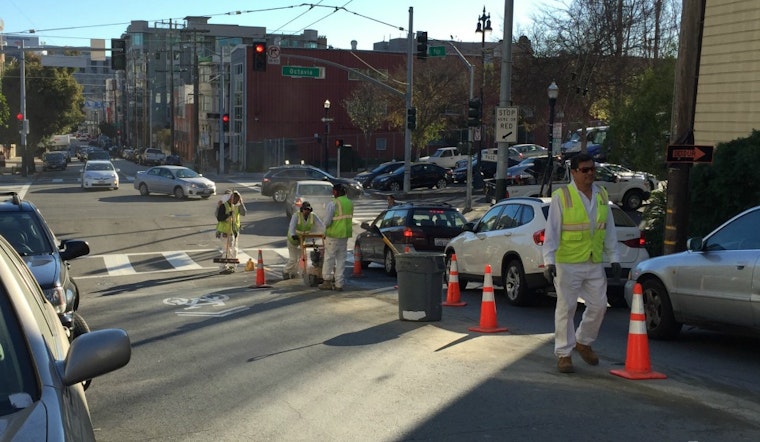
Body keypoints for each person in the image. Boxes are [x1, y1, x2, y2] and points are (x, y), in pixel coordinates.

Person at [542, 153, 621, 373]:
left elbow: (609, 229)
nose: (590, 174)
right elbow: (552, 231)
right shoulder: (562, 196)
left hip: (593, 260)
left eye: (592, 169)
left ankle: (583, 341)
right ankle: (564, 354)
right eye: (585, 170)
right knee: (566, 308)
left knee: (598, 305)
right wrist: (549, 261)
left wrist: (614, 258)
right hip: (568, 262)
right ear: (574, 172)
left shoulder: (601, 195)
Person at [318, 183, 354, 291]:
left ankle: (327, 281)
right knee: (341, 260)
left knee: (329, 258)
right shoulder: (349, 203)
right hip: (344, 236)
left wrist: (323, 230)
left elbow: (327, 221)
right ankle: (339, 284)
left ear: (335, 192)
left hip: (333, 235)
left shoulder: (333, 203)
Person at [283, 201, 325, 280]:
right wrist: (293, 235)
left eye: (308, 210)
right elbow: (291, 226)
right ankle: (286, 271)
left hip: (302, 240)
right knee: (293, 258)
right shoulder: (296, 216)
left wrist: (325, 233)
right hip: (292, 240)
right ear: (302, 209)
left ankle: (294, 273)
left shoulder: (313, 216)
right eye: (305, 209)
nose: (307, 211)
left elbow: (321, 225)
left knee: (300, 258)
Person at [216, 189, 247, 274]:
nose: (236, 202)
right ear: (231, 198)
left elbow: (243, 213)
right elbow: (219, 218)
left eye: (237, 200)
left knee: (230, 251)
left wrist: (241, 203)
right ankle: (222, 268)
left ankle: (229, 266)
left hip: (232, 232)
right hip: (225, 232)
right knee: (226, 251)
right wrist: (228, 214)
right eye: (235, 200)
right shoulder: (223, 206)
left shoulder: (235, 207)